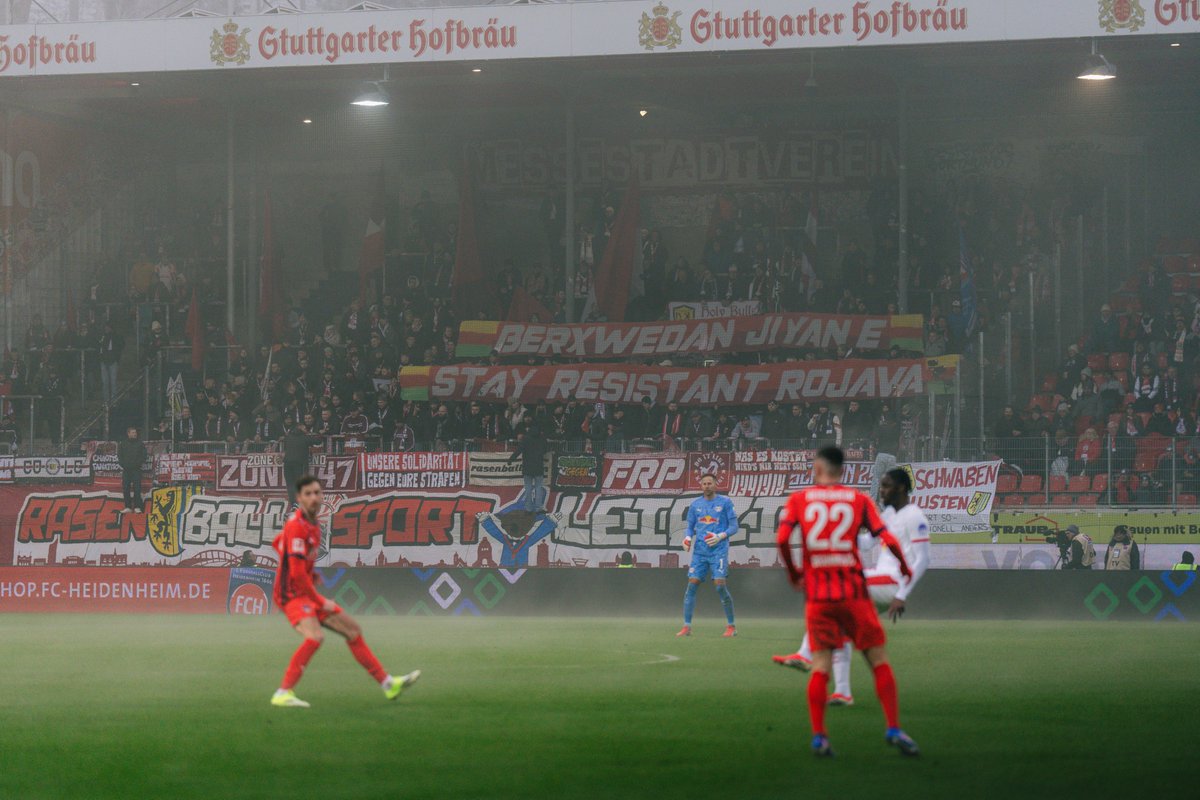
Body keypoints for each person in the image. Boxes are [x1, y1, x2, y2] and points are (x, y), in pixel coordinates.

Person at [774, 446, 918, 758]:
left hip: (819, 596)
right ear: (842, 470)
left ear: (817, 468)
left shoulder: (799, 499)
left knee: (820, 665)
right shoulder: (858, 499)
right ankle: (893, 728)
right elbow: (887, 537)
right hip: (854, 593)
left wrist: (794, 573)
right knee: (878, 659)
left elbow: (782, 539)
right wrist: (905, 568)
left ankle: (819, 737)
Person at [270, 475, 420, 708]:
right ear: (299, 498)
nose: (314, 498)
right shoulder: (297, 526)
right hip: (290, 594)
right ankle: (282, 693)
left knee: (352, 630)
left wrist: (308, 571)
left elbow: (278, 543)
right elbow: (297, 575)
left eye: (317, 492)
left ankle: (388, 684)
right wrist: (320, 601)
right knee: (315, 637)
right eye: (308, 494)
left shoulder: (313, 525)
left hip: (303, 591)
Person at [677, 474, 738, 639]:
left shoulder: (725, 502)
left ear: (715, 485)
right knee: (691, 585)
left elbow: (734, 526)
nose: (707, 486)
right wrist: (687, 538)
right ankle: (687, 626)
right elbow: (690, 526)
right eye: (704, 483)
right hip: (700, 552)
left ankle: (731, 626)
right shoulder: (695, 504)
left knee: (719, 586)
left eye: (710, 483)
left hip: (718, 550)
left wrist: (720, 536)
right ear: (701, 486)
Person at [508, 425, 548, 513]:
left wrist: (511, 459)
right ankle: (538, 508)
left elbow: (518, 450)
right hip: (538, 467)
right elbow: (545, 450)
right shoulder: (542, 439)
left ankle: (528, 508)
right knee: (538, 487)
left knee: (528, 488)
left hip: (527, 467)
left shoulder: (525, 439)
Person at [280, 423, 321, 507]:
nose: (306, 429)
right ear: (300, 428)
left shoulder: (288, 437)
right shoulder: (305, 437)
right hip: (299, 464)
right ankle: (300, 503)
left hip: (287, 463)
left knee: (290, 484)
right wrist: (320, 434)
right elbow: (318, 441)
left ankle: (293, 503)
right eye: (304, 428)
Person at [117, 426, 147, 513]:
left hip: (136, 469)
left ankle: (137, 507)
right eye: (133, 432)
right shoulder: (123, 444)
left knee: (137, 488)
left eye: (135, 432)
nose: (135, 434)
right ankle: (128, 507)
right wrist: (124, 465)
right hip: (126, 470)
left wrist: (138, 464)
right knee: (126, 488)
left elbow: (144, 456)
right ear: (128, 433)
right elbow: (120, 456)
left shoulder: (140, 444)